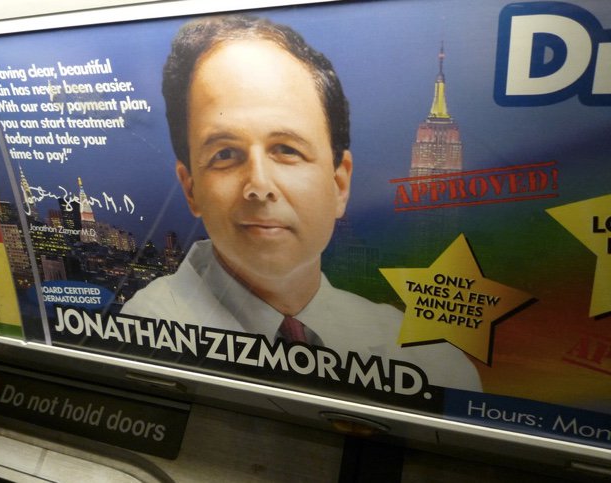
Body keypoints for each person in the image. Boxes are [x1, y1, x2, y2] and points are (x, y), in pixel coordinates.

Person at [122, 15, 481, 391]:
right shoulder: (145, 333)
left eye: (287, 149)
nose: (259, 186)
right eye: (225, 153)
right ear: (191, 188)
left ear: (339, 184)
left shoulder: (433, 363)